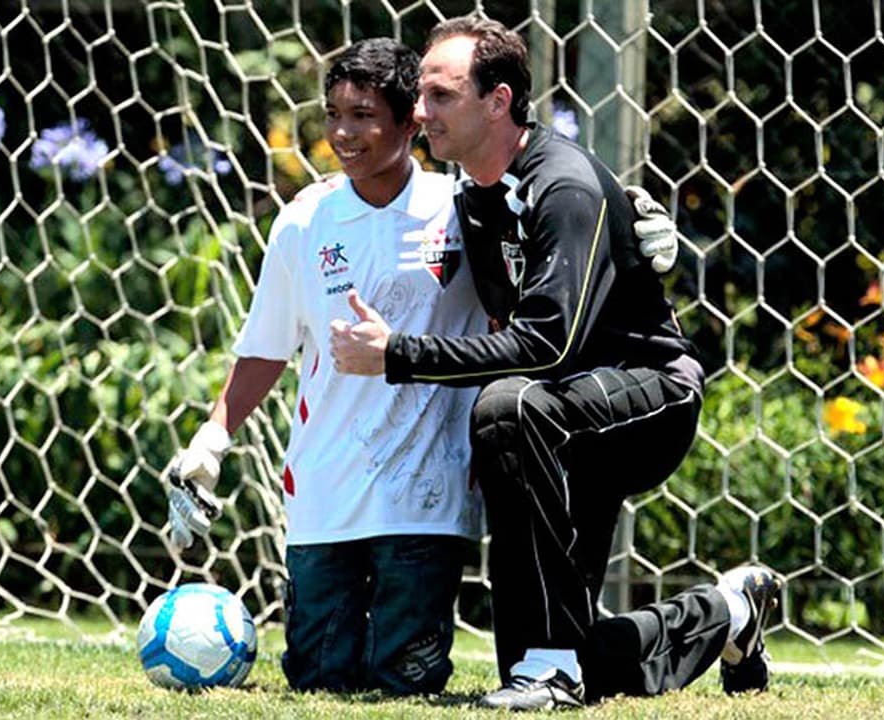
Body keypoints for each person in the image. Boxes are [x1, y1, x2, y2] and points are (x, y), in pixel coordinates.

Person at [165, 35, 676, 696]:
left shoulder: (461, 211)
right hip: (326, 490)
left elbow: (553, 209)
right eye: (334, 115)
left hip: (425, 495)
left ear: (409, 123)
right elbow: (266, 346)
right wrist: (213, 438)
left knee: (403, 682)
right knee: (319, 678)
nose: (343, 134)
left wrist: (631, 216)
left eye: (363, 116)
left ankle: (564, 655)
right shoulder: (303, 221)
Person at [329, 17, 781, 710]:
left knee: (506, 406)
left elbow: (547, 347)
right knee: (580, 659)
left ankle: (550, 664)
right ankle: (729, 613)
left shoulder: (561, 186)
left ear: (499, 101)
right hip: (560, 419)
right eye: (420, 95)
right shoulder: (472, 195)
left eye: (441, 95)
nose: (421, 112)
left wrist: (397, 356)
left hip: (646, 397)